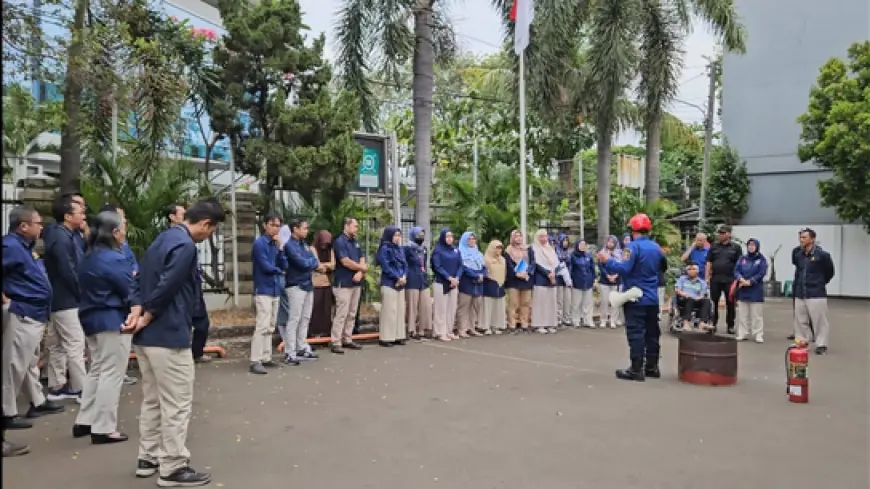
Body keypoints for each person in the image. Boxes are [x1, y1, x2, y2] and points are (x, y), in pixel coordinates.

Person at [131, 199, 225, 486]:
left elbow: (138, 275)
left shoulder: (163, 238)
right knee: (177, 403)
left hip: (146, 338)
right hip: (168, 334)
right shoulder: (185, 247)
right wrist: (148, 313)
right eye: (212, 230)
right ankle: (172, 466)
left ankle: (147, 457)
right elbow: (168, 285)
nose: (209, 236)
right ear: (205, 224)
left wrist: (136, 308)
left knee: (153, 400)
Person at [72, 211, 140, 444]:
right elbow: (129, 289)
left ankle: (86, 420)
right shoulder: (114, 258)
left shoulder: (88, 256)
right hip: (112, 319)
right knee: (112, 373)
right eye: (122, 228)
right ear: (114, 232)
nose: (124, 232)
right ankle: (103, 427)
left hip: (91, 318)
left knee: (98, 370)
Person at [2, 206, 61, 452]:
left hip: (33, 315)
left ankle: (19, 409)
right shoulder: (10, 247)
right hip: (22, 314)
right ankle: (5, 420)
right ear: (23, 226)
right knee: (11, 371)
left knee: (21, 367)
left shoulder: (25, 248)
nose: (41, 227)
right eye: (37, 223)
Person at [598, 213, 666, 381]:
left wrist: (607, 261)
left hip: (635, 296)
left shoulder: (632, 247)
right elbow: (663, 266)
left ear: (633, 229)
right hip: (652, 296)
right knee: (652, 333)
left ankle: (636, 369)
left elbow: (624, 269)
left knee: (636, 333)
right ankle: (652, 366)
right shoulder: (656, 247)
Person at [43, 194, 88, 402]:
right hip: (65, 299)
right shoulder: (61, 237)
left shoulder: (69, 234)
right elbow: (68, 270)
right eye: (79, 211)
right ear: (68, 216)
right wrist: (80, 292)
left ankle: (57, 385)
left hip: (61, 298)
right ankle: (81, 388)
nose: (83, 214)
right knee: (75, 343)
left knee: (58, 344)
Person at [100, 204, 140, 384]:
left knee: (113, 367)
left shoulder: (123, 245)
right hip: (110, 311)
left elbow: (133, 264)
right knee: (108, 371)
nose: (125, 221)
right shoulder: (104, 252)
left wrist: (134, 273)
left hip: (122, 306)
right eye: (122, 218)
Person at [249, 215, 288, 374]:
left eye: (278, 225)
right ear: (265, 225)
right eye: (273, 225)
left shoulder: (275, 244)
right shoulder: (259, 243)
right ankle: (255, 359)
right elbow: (265, 266)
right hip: (263, 288)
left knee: (271, 325)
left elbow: (283, 263)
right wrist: (280, 271)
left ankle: (266, 357)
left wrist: (280, 249)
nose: (276, 228)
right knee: (262, 325)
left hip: (275, 288)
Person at [283, 218, 323, 364]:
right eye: (304, 228)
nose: (306, 231)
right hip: (295, 285)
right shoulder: (290, 246)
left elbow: (312, 260)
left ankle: (301, 347)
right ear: (295, 229)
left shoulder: (304, 245)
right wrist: (312, 263)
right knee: (294, 318)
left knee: (305, 318)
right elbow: (303, 263)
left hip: (307, 284)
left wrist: (312, 263)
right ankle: (290, 351)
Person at [792, 228, 835, 355]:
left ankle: (821, 344)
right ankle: (801, 341)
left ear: (812, 239)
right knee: (800, 320)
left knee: (819, 320)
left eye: (804, 237)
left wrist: (820, 282)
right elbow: (798, 269)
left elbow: (829, 272)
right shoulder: (797, 253)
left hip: (816, 293)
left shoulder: (823, 255)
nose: (801, 240)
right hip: (800, 292)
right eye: (800, 237)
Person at [330, 217, 366, 354]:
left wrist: (360, 271)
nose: (357, 228)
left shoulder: (355, 241)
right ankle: (336, 341)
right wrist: (361, 268)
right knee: (342, 313)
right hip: (343, 282)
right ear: (346, 226)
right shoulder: (340, 241)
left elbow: (362, 257)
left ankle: (347, 338)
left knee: (352, 313)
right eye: (355, 226)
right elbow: (345, 261)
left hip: (356, 281)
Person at [705, 224, 742, 334]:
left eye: (723, 233)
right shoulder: (714, 246)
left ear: (729, 234)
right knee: (713, 302)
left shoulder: (736, 247)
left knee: (730, 303)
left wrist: (738, 279)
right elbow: (708, 262)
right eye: (720, 233)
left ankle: (730, 325)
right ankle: (713, 323)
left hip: (730, 279)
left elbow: (739, 264)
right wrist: (707, 277)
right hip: (716, 278)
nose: (720, 235)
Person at [376, 226, 408, 346]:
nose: (397, 238)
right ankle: (386, 337)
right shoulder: (385, 248)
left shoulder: (399, 249)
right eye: (395, 235)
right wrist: (397, 277)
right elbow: (386, 266)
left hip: (401, 282)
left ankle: (398, 335)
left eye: (399, 235)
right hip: (389, 283)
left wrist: (404, 276)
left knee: (400, 310)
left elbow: (405, 264)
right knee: (389, 311)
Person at [733, 238, 768, 343]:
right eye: (749, 245)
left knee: (756, 315)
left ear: (757, 246)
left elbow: (762, 273)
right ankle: (742, 333)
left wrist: (751, 281)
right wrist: (741, 279)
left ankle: (758, 334)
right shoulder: (742, 258)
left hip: (755, 290)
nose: (751, 247)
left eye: (753, 245)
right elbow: (736, 270)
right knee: (743, 314)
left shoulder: (761, 259)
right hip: (743, 289)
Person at [431, 229, 461, 342]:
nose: (449, 238)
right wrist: (449, 278)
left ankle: (449, 330)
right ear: (443, 237)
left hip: (454, 283)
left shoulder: (455, 250)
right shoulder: (438, 250)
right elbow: (437, 266)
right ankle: (440, 332)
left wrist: (457, 278)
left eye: (451, 236)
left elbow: (460, 265)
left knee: (451, 308)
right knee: (441, 309)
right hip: (441, 282)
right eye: (447, 236)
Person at [456, 232, 486, 337]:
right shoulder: (460, 252)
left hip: (478, 283)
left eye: (474, 239)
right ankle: (462, 329)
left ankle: (472, 327)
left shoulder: (478, 253)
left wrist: (482, 275)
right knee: (464, 306)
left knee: (474, 306)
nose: (472, 241)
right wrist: (475, 276)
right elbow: (463, 267)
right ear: (465, 240)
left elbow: (484, 267)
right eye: (469, 239)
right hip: (466, 282)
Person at [529, 229, 559, 334]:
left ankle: (550, 323)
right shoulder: (534, 249)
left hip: (552, 279)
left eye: (545, 236)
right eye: (541, 236)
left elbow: (556, 263)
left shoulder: (550, 249)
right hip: (540, 279)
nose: (543, 238)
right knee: (540, 303)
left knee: (550, 302)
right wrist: (547, 273)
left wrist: (554, 273)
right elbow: (536, 264)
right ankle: (539, 324)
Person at [404, 227, 431, 340]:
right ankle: (412, 330)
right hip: (412, 279)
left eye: (422, 235)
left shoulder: (423, 249)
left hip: (422, 279)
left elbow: (424, 263)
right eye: (419, 235)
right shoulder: (407, 249)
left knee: (425, 306)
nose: (421, 237)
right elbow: (404, 264)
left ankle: (422, 330)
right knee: (412, 306)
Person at [503, 230, 533, 333]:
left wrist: (527, 272)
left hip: (526, 279)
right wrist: (516, 273)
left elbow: (533, 262)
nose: (518, 238)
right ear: (512, 238)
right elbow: (509, 264)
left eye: (520, 236)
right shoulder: (508, 250)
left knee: (525, 302)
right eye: (516, 236)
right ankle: (512, 324)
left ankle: (524, 323)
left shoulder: (528, 249)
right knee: (513, 303)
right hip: (514, 280)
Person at [310, 230, 335, 338]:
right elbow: (316, 264)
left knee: (326, 311)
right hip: (315, 284)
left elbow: (333, 265)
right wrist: (325, 266)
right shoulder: (313, 248)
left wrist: (324, 266)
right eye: (323, 243)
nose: (325, 245)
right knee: (315, 310)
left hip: (327, 283)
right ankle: (313, 334)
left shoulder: (331, 250)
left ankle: (325, 333)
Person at [479, 240, 507, 335]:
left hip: (500, 284)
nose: (498, 250)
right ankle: (486, 326)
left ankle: (495, 325)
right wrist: (491, 263)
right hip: (489, 283)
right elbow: (484, 271)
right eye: (496, 248)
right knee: (488, 306)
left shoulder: (503, 260)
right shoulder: (485, 259)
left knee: (498, 306)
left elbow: (505, 272)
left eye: (500, 248)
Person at [674, 261, 712, 331]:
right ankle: (686, 323)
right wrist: (684, 294)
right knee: (690, 299)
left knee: (707, 301)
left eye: (693, 269)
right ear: (686, 270)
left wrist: (699, 297)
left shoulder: (702, 282)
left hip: (697, 299)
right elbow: (677, 290)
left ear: (697, 271)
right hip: (683, 298)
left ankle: (702, 323)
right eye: (689, 269)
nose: (691, 271)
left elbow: (703, 294)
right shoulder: (682, 279)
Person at [568, 239, 596, 328]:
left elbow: (592, 268)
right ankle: (576, 320)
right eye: (581, 244)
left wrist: (594, 279)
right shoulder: (573, 256)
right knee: (576, 303)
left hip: (588, 281)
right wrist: (570, 280)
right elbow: (570, 269)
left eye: (584, 244)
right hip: (577, 281)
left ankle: (588, 320)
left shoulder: (588, 256)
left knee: (588, 303)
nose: (583, 246)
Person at [597, 235, 623, 328]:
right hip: (604, 280)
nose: (610, 243)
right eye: (609, 241)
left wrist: (616, 275)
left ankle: (613, 320)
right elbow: (601, 266)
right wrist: (607, 275)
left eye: (612, 242)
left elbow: (621, 266)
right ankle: (603, 320)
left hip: (616, 280)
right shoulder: (602, 252)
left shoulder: (619, 253)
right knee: (604, 301)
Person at [555, 233, 572, 327]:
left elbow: (571, 265)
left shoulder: (569, 252)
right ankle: (558, 318)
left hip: (568, 279)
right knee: (559, 300)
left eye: (567, 240)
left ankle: (566, 317)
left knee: (567, 300)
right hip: (559, 278)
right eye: (563, 240)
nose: (565, 242)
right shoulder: (556, 251)